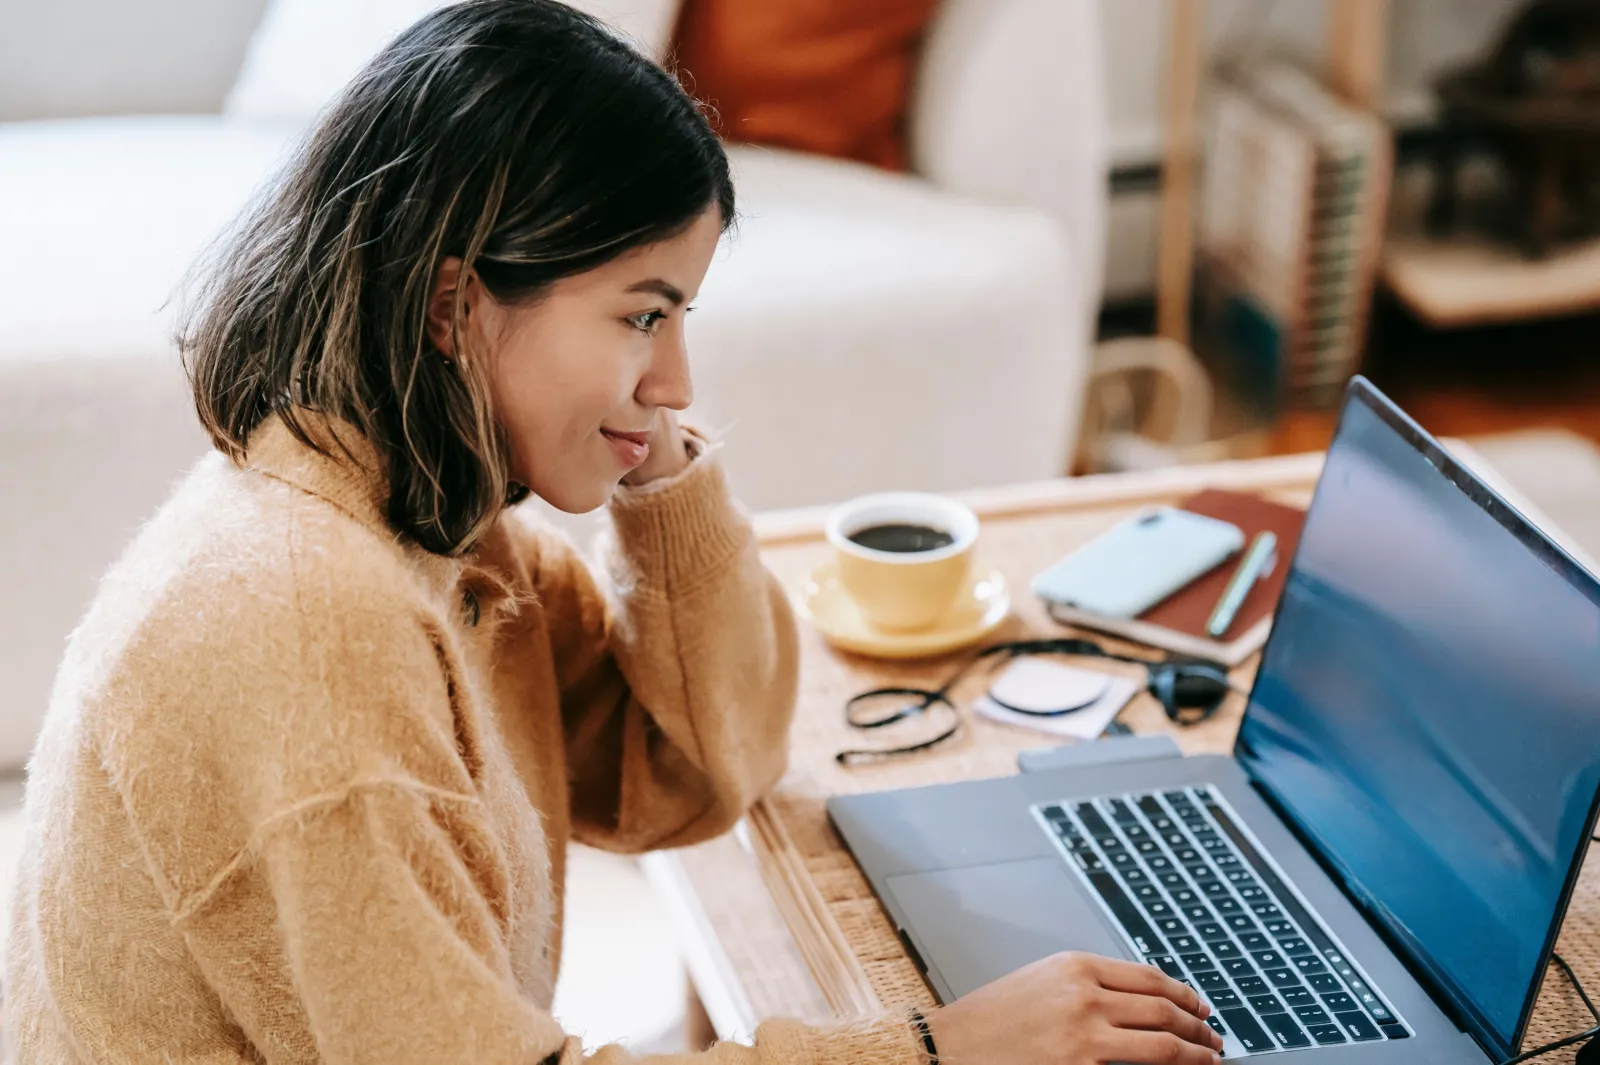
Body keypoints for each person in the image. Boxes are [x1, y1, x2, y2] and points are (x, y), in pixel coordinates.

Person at [1, 3, 1224, 1064]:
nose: (680, 376)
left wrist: (660, 477)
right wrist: (937, 1048)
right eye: (643, 313)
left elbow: (697, 773)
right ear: (450, 303)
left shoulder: (435, 532)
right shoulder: (303, 625)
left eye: (680, 315)